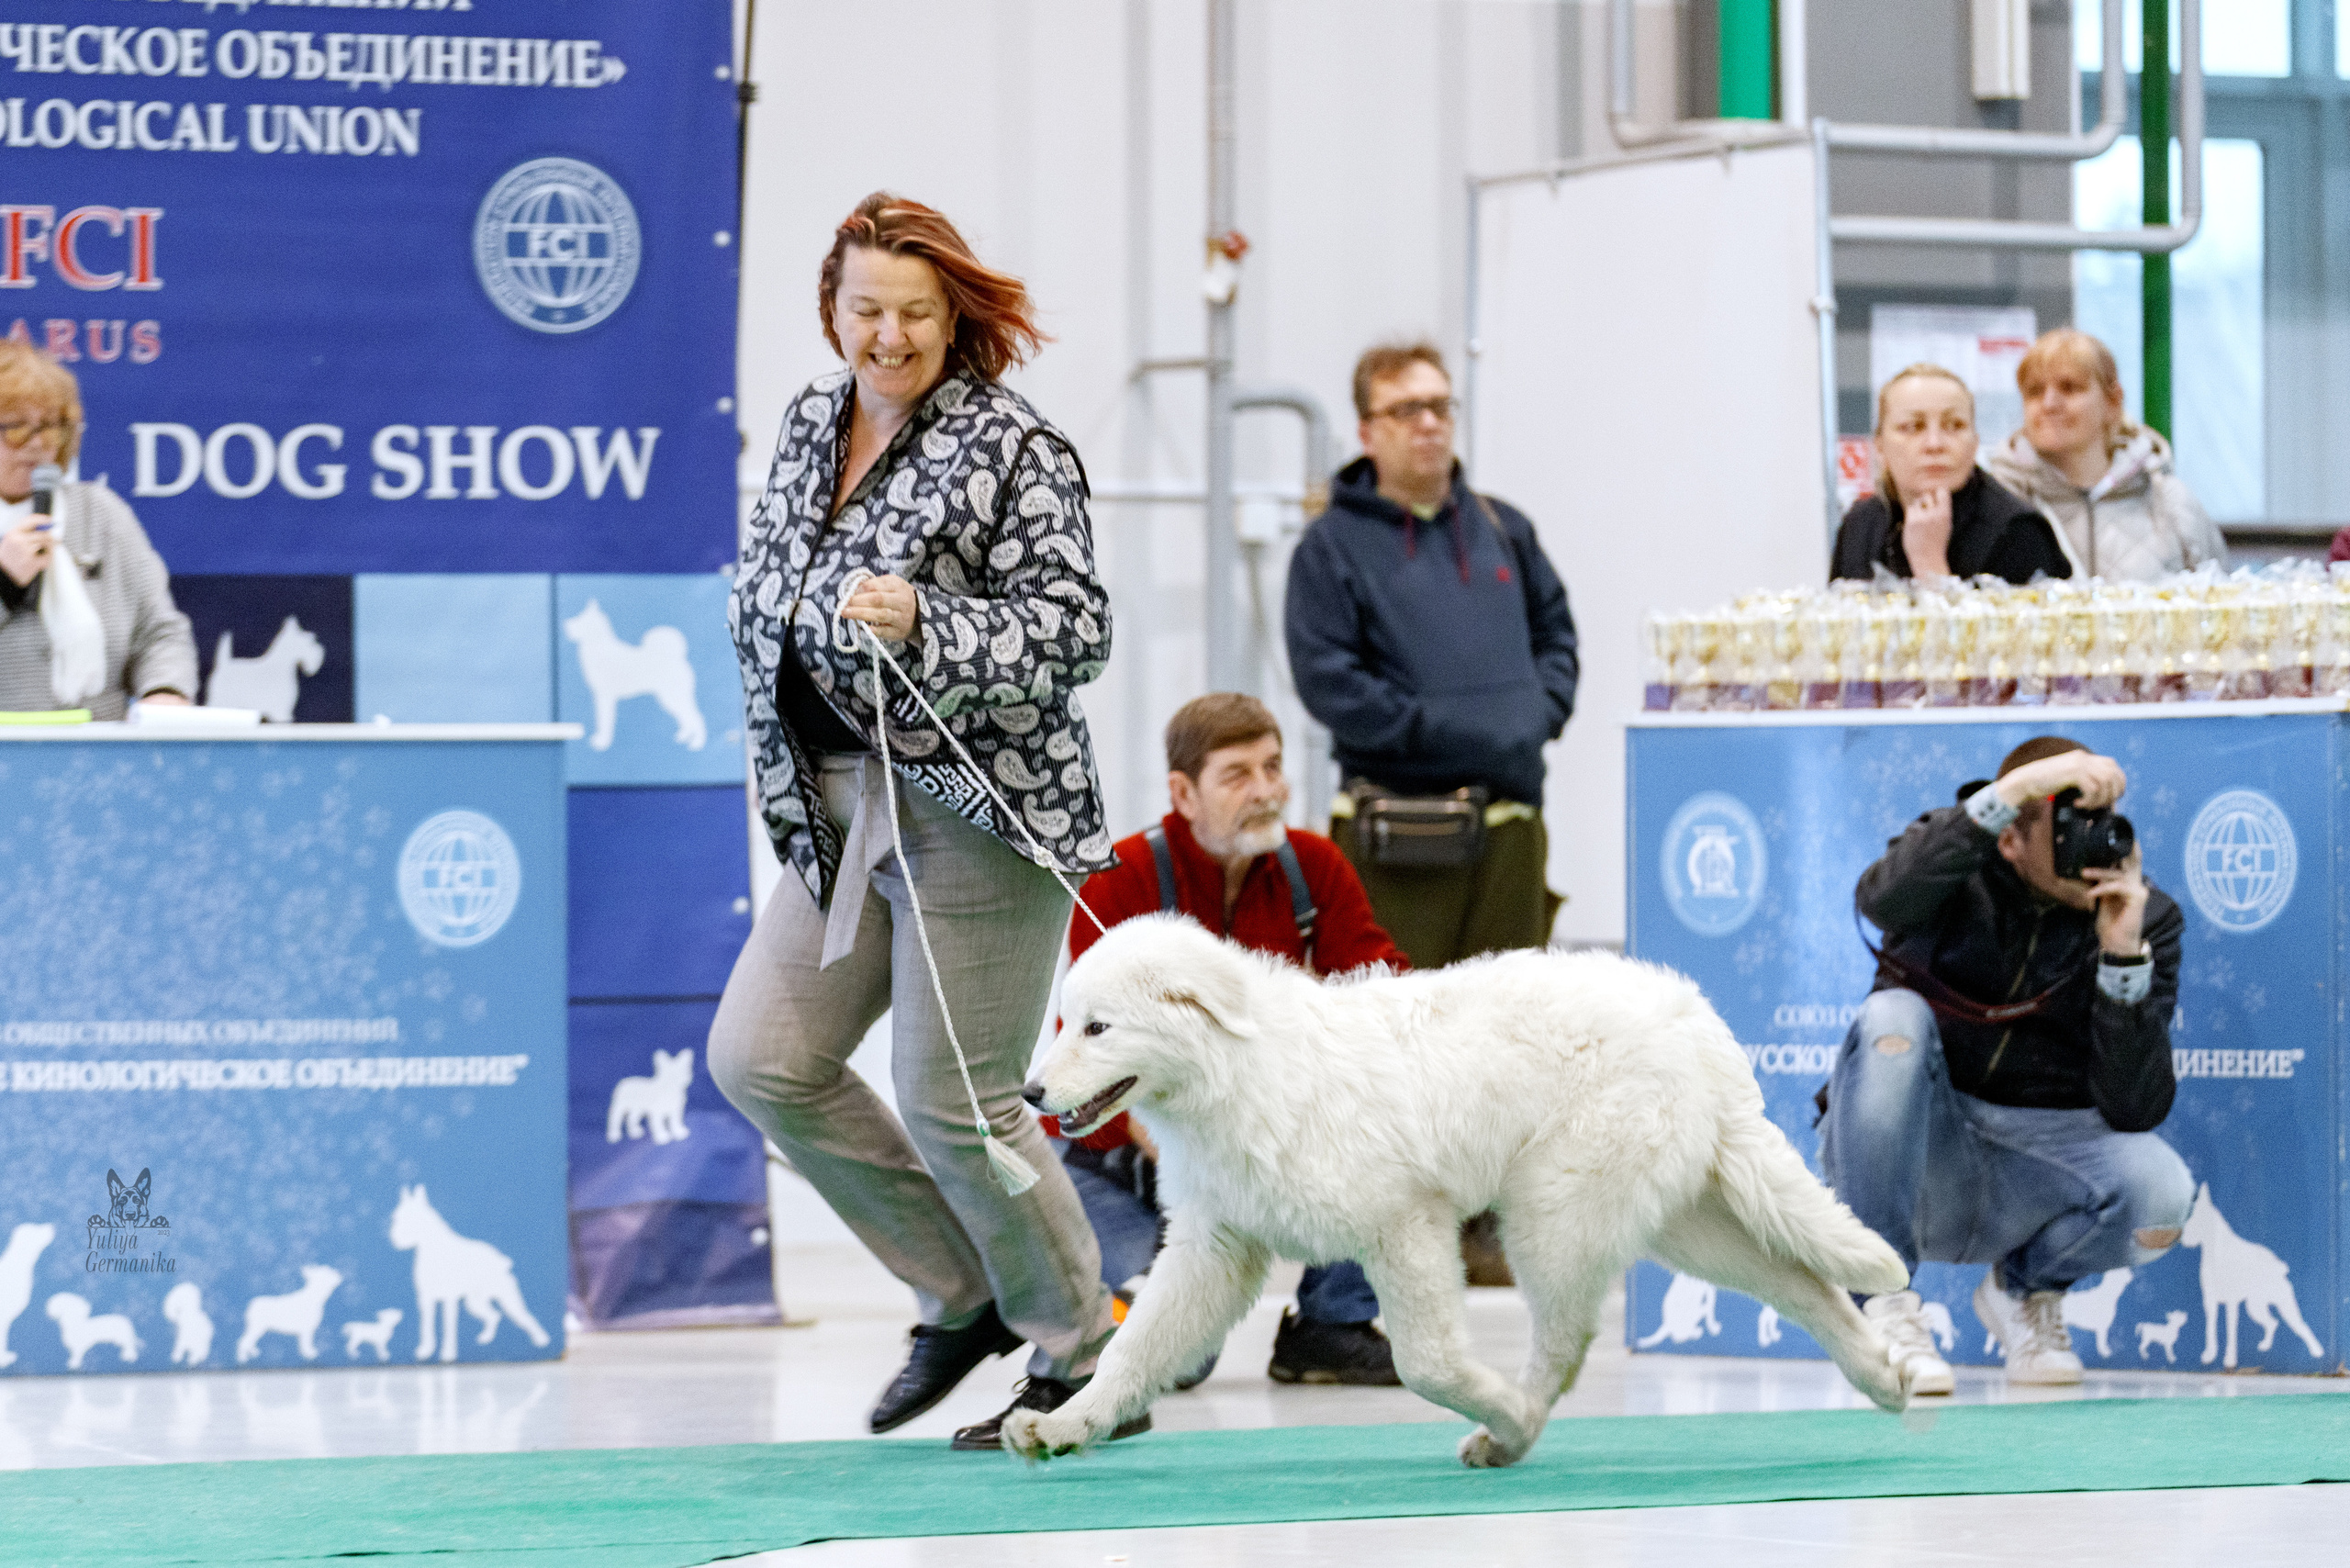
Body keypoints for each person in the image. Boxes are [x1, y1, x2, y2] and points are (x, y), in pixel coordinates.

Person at [709, 193, 1131, 1454]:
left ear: (955, 321)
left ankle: (1085, 1350)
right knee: (762, 1058)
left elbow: (1077, 630)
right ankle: (962, 1293)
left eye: (914, 314)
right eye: (866, 310)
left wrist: (929, 622)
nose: (888, 336)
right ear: (830, 310)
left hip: (982, 810)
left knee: (960, 1100)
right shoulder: (808, 421)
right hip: (838, 812)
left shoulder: (1015, 446)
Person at [1049, 693, 1408, 1387]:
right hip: (1121, 1158)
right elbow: (1102, 1065)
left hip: (1259, 1144)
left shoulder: (1314, 865)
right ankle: (1089, 1298)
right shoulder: (1121, 877)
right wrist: (1232, 1173)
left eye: (1272, 767)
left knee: (1390, 1123)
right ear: (1183, 793)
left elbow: (1386, 997)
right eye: (1238, 775)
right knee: (1181, 1360)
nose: (1267, 790)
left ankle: (1332, 1325)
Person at [1820, 736, 2192, 1394]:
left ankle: (2024, 1293)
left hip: (2035, 1164)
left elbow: (2134, 1107)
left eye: (2102, 825)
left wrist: (2120, 957)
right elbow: (1881, 902)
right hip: (1920, 1153)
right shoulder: (1953, 863)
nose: (2091, 849)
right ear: (2010, 837)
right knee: (1891, 1020)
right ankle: (1880, 1302)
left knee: (2162, 1192)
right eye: (2068, 828)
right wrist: (2016, 791)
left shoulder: (2145, 916)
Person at [1284, 341, 1579, 973]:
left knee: (1512, 1021)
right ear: (1367, 432)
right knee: (1397, 1021)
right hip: (1396, 836)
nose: (1429, 423)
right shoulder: (1330, 547)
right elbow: (1329, 681)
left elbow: (1556, 635)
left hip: (1510, 830)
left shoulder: (1505, 529)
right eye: (1406, 409)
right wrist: (1447, 730)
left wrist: (1536, 716)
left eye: (1440, 406)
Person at [0, 342, 194, 717]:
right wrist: (4, 582)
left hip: (98, 746)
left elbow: (160, 631)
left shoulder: (101, 514)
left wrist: (164, 692)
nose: (37, 444)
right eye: (17, 428)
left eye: (50, 428)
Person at [1981, 329, 2226, 581]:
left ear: (2112, 401)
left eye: (2069, 388)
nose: (2049, 404)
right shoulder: (1994, 504)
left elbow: (2222, 597)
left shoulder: (2169, 502)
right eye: (2035, 391)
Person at [1830, 364, 2072, 586]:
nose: (1934, 444)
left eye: (1954, 426)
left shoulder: (2019, 530)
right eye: (1913, 427)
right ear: (1880, 447)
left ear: (1974, 443)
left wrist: (1929, 564)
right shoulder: (1859, 525)